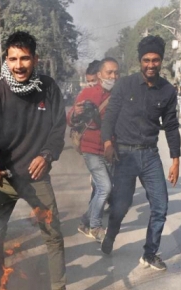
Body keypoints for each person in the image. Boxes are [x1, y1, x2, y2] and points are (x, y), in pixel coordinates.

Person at [0, 31, 72, 290]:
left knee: (53, 234)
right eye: (13, 59)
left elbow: (58, 129)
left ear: (35, 59)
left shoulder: (48, 88)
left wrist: (47, 155)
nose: (19, 65)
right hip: (4, 179)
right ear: (5, 59)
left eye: (25, 58)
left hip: (36, 177)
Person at [100, 35, 180, 273]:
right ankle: (111, 234)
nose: (151, 65)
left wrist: (175, 160)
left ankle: (150, 253)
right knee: (121, 206)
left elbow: (172, 126)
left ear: (161, 61)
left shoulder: (167, 90)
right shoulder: (124, 85)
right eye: (146, 60)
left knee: (160, 205)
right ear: (139, 61)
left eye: (155, 60)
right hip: (124, 155)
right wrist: (107, 144)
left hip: (150, 155)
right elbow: (110, 116)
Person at [68, 57, 120, 242]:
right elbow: (70, 118)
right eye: (109, 72)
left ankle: (84, 221)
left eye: (116, 72)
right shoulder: (88, 93)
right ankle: (95, 226)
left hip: (109, 150)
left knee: (102, 188)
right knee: (105, 187)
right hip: (91, 148)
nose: (113, 76)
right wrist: (76, 113)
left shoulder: (118, 94)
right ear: (99, 75)